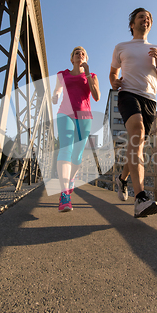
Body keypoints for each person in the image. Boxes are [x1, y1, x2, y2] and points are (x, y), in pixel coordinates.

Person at [109, 8, 157, 218]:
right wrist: (114, 81)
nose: (146, 20)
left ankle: (122, 179)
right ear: (132, 24)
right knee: (137, 132)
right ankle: (140, 198)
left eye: (148, 18)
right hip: (128, 94)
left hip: (150, 100)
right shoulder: (121, 47)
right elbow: (113, 73)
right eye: (141, 17)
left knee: (136, 146)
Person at [52, 46, 100, 212]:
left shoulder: (92, 76)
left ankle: (71, 178)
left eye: (83, 53)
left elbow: (97, 96)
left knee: (77, 156)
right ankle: (65, 194)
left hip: (84, 116)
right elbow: (58, 88)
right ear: (71, 59)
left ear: (85, 59)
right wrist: (56, 94)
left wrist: (87, 74)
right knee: (65, 150)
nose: (80, 55)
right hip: (65, 114)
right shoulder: (62, 74)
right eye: (76, 53)